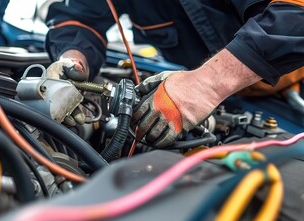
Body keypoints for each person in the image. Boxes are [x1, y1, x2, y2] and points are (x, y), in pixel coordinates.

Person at [43, 0, 304, 148]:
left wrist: (206, 85)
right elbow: (80, 18)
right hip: (216, 95)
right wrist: (74, 59)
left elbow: (295, 15)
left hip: (292, 82)